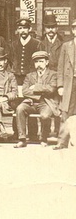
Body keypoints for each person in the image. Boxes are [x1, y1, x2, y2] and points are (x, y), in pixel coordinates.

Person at [15, 50, 58, 148]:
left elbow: (51, 89)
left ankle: (44, 138)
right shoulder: (29, 75)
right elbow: (25, 91)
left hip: (46, 102)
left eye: (41, 61)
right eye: (36, 62)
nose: (38, 64)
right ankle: (22, 139)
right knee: (20, 109)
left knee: (45, 116)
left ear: (47, 62)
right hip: (30, 102)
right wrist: (40, 93)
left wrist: (34, 87)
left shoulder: (53, 74)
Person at [54, 18, 76, 149]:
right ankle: (62, 142)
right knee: (66, 112)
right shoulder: (66, 46)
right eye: (75, 28)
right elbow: (60, 67)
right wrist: (60, 85)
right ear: (73, 30)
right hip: (70, 83)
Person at [11, 17, 43, 85]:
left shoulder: (37, 44)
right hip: (17, 77)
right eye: (20, 28)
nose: (23, 31)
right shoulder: (14, 44)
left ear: (30, 29)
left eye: (25, 28)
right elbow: (11, 60)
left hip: (32, 77)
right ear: (17, 30)